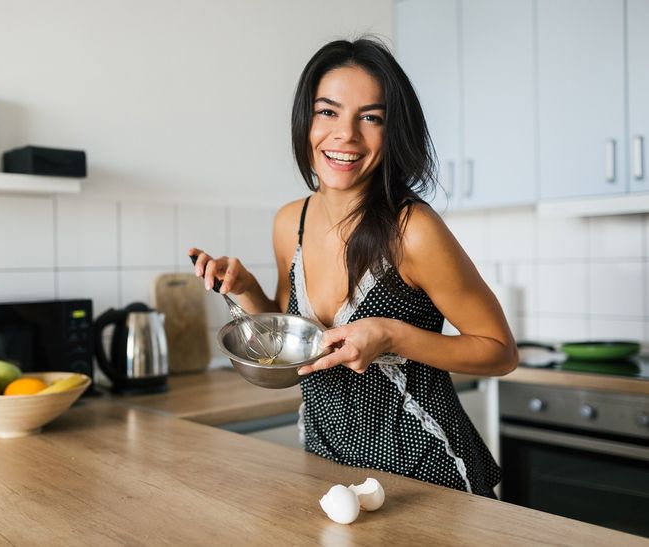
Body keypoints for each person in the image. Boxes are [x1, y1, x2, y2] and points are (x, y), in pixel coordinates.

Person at [189, 38, 517, 498]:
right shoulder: (291, 223)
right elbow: (297, 342)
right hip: (327, 468)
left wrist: (393, 334)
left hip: (426, 476)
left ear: (393, 131)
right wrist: (244, 290)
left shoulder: (412, 230)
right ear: (306, 121)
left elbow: (500, 351)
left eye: (371, 117)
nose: (346, 134)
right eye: (328, 112)